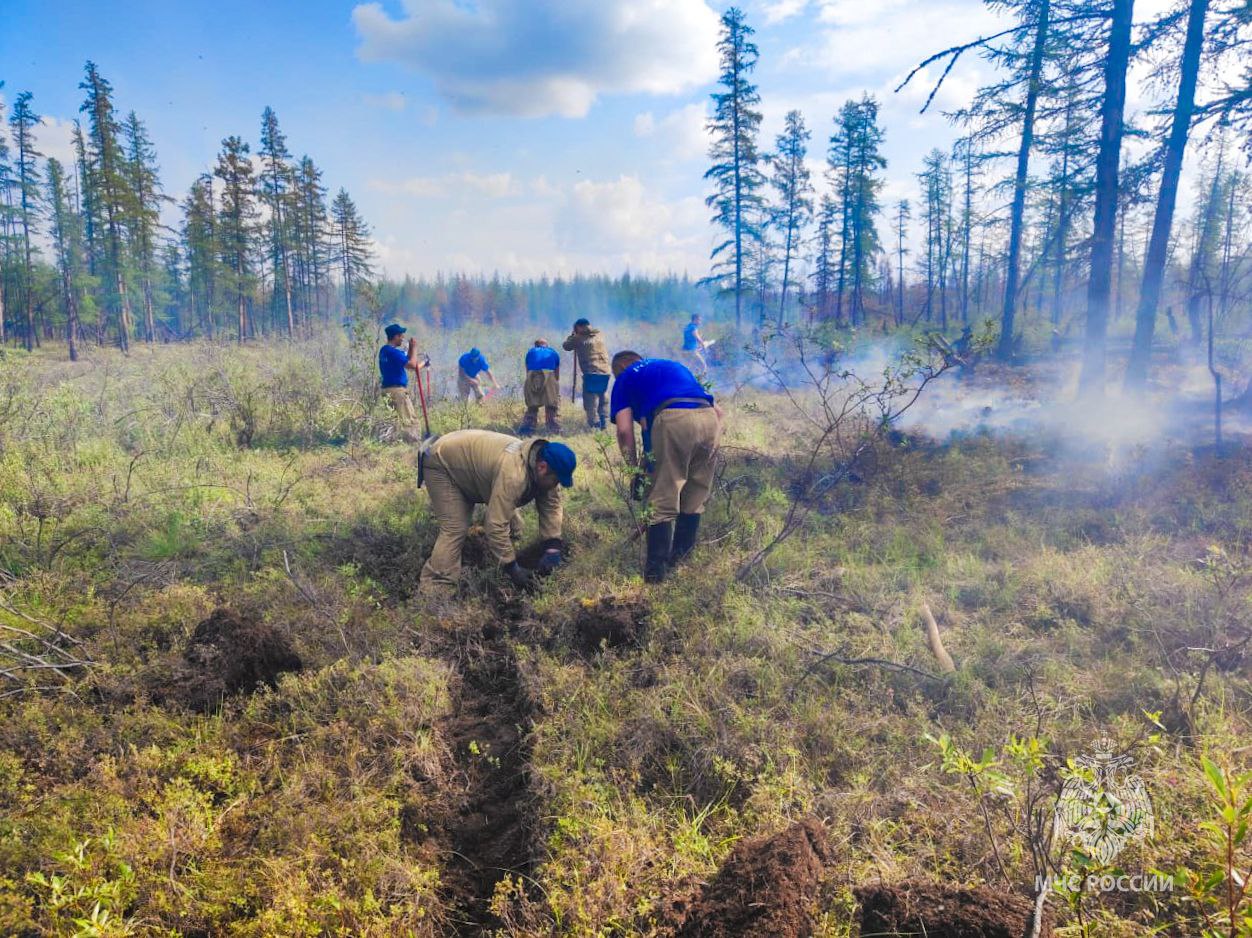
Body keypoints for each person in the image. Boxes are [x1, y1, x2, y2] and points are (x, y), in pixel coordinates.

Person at [610, 351, 723, 583]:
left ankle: (655, 575)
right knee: (695, 496)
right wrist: (715, 443)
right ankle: (681, 564)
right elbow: (719, 411)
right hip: (709, 420)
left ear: (619, 368)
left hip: (673, 419)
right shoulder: (672, 365)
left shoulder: (625, 377)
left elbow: (624, 431)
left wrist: (635, 471)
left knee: (662, 497)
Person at [417, 430, 576, 595]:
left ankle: (501, 556)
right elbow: (495, 525)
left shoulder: (539, 463)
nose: (556, 485)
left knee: (516, 526)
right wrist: (512, 569)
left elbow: (551, 505)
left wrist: (552, 547)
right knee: (454, 528)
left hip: (469, 461)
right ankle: (436, 590)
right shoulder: (514, 476)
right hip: (443, 463)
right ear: (542, 467)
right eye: (556, 480)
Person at [379, 323, 428, 441]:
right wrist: (415, 349)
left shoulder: (385, 351)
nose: (402, 338)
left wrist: (410, 348)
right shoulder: (393, 353)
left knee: (394, 420)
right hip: (397, 391)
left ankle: (393, 442)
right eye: (401, 336)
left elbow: (407, 360)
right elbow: (411, 365)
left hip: (386, 390)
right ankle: (413, 446)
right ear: (395, 336)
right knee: (410, 420)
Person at [562, 318, 611, 429]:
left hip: (591, 372)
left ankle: (594, 424)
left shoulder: (578, 338)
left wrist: (572, 336)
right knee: (603, 396)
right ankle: (604, 422)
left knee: (590, 400)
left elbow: (566, 346)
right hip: (605, 371)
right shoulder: (600, 334)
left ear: (579, 327)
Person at [518, 339, 561, 436]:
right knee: (551, 406)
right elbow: (557, 376)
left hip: (532, 376)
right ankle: (553, 431)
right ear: (546, 345)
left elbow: (527, 371)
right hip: (549, 376)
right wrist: (553, 389)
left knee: (532, 406)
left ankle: (527, 431)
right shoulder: (553, 352)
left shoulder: (530, 352)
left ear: (535, 346)